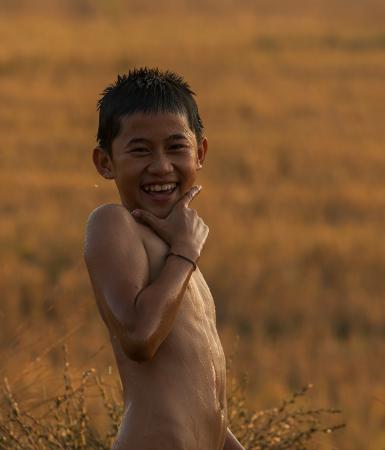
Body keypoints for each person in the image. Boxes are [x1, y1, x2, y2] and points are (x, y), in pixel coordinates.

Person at [84, 67, 244, 450]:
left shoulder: (178, 260)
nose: (161, 166)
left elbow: (203, 405)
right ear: (105, 162)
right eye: (140, 150)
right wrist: (186, 253)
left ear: (200, 152)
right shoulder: (112, 223)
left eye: (176, 147)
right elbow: (139, 337)